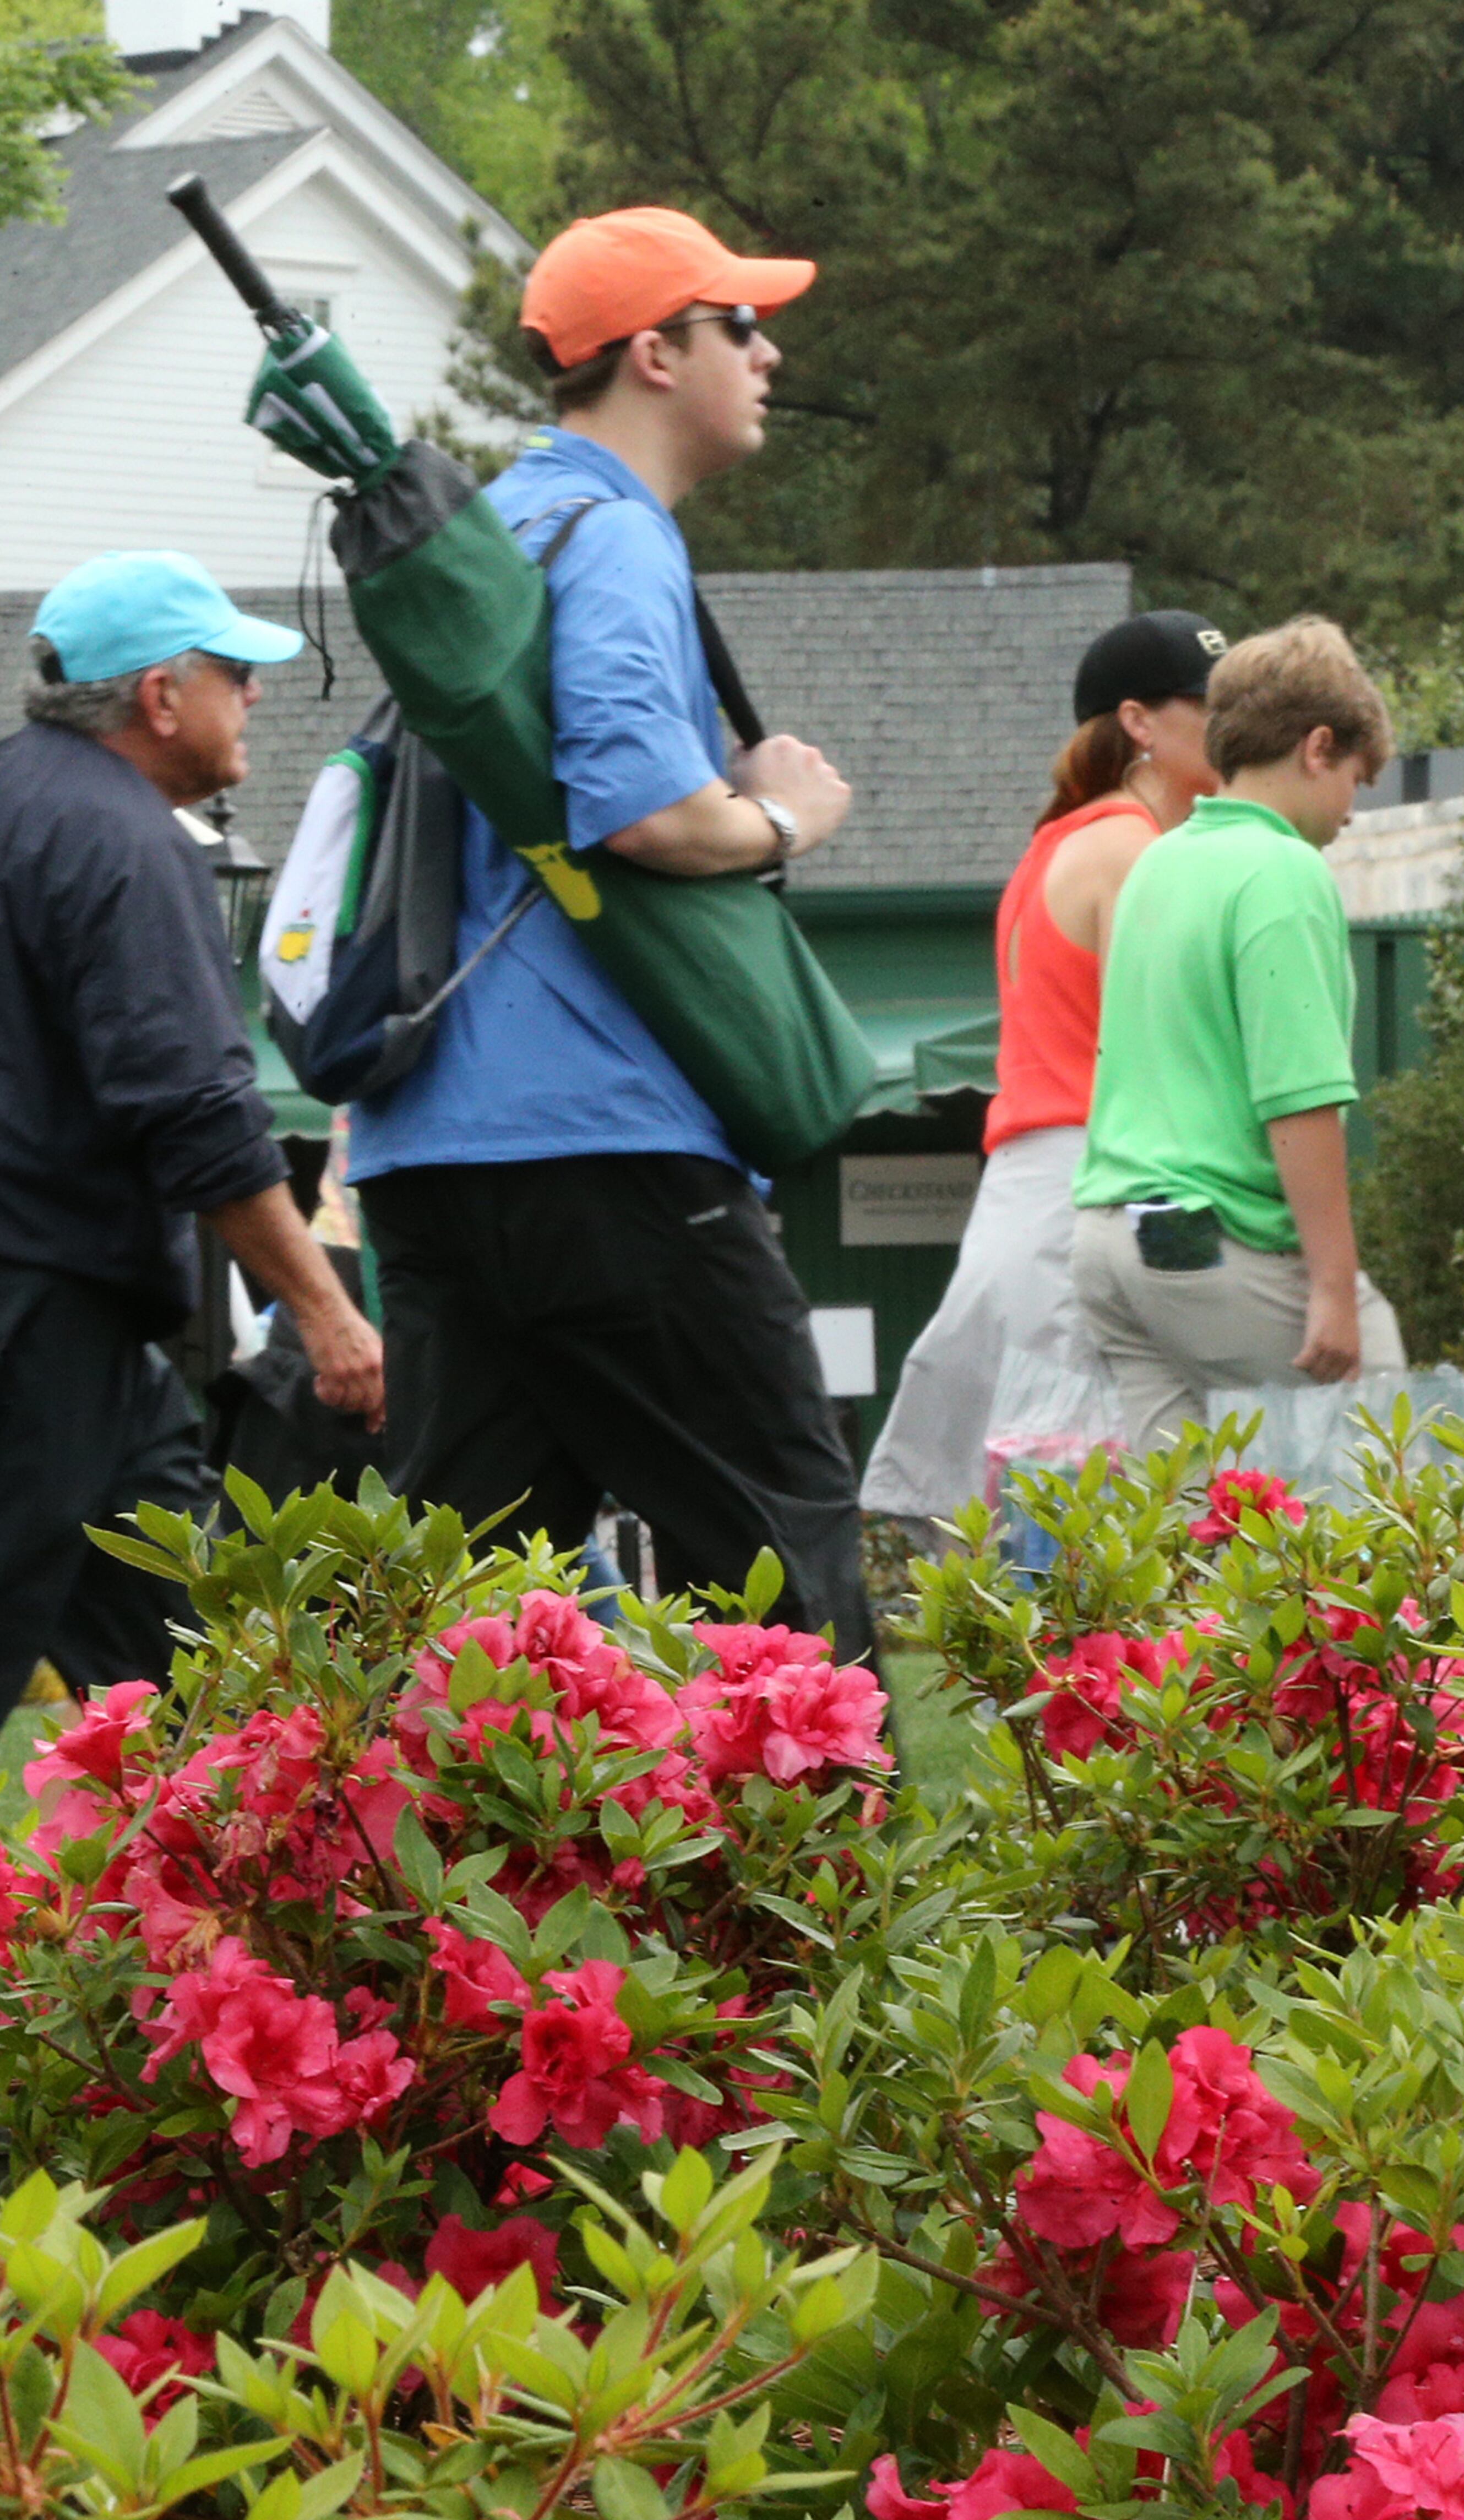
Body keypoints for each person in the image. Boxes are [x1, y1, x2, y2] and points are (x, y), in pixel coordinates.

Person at [345, 206, 874, 1660]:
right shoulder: (615, 532)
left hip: (425, 1159)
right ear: (656, 354)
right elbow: (637, 809)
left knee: (468, 1638)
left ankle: (377, 1889)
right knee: (784, 1570)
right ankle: (845, 1882)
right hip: (611, 1146)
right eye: (741, 325)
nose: (769, 352)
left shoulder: (483, 536)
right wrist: (781, 817)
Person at [0, 551, 384, 1803]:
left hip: (33, 1306)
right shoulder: (120, 835)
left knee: (191, 1643)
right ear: (160, 697)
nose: (255, 698)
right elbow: (192, 1108)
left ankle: (266, 1914)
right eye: (234, 674)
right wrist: (325, 1310)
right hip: (20, 1298)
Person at [860, 611, 1227, 1545]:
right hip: (1093, 1190)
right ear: (1141, 722)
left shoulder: (1057, 845)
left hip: (1035, 1192)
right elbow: (1184, 1055)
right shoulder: (1135, 850)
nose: (1234, 727)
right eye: (1212, 704)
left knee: (1047, 1515)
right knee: (1098, 1521)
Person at [1072, 616, 1406, 1452]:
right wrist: (1332, 1286)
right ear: (1318, 747)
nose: (1353, 815)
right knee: (1393, 1450)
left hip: (1113, 1242)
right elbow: (1299, 1098)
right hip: (1214, 1244)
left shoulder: (1159, 859)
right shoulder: (1284, 871)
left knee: (1181, 1538)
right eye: (1358, 782)